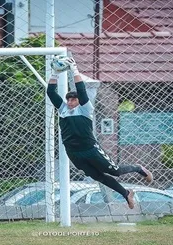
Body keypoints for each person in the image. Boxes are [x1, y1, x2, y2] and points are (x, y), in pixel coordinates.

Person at [46, 56, 154, 209]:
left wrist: (74, 69)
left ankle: (138, 168)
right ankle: (126, 193)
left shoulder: (85, 109)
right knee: (97, 177)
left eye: (73, 100)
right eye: (68, 100)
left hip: (90, 149)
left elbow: (82, 91)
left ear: (79, 101)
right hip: (73, 152)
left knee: (115, 171)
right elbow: (50, 92)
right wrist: (55, 73)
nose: (70, 102)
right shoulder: (63, 110)